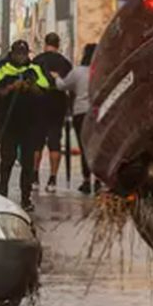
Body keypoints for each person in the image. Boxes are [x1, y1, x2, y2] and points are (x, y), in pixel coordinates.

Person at [0, 40, 52, 212]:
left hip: (29, 123)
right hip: (8, 123)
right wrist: (9, 88)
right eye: (18, 54)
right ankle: (2, 195)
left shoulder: (35, 69)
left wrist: (31, 86)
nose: (21, 57)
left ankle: (26, 198)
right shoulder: (3, 68)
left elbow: (47, 89)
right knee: (7, 159)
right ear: (12, 53)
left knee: (28, 163)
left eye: (24, 54)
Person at [32, 32, 73, 191]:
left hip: (38, 105)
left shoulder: (37, 61)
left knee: (37, 144)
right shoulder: (65, 63)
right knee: (55, 143)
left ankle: (34, 177)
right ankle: (52, 179)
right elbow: (70, 86)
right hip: (58, 106)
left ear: (45, 43)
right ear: (58, 44)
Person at [58, 43, 95, 194]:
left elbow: (62, 85)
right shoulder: (102, 71)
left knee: (84, 147)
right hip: (99, 113)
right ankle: (99, 180)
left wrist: (55, 77)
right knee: (97, 147)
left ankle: (86, 181)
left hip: (81, 113)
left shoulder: (78, 72)